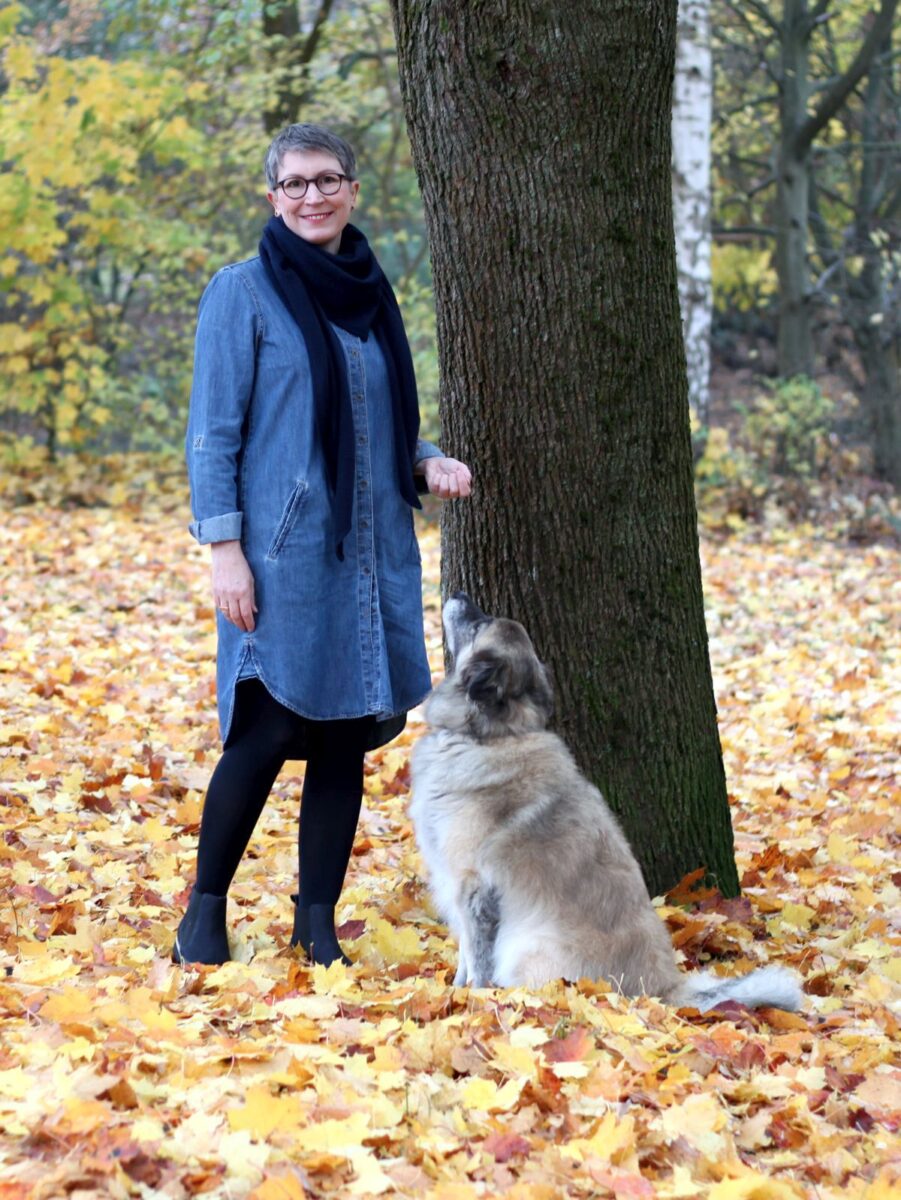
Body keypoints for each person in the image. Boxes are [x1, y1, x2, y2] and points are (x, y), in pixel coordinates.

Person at [174, 123, 472, 968]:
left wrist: (427, 459)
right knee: (263, 732)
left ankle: (315, 925)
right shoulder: (242, 292)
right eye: (294, 183)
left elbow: (383, 423)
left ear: (351, 189)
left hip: (369, 555)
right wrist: (223, 548)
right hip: (280, 557)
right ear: (271, 196)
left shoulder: (372, 295)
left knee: (344, 736)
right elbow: (213, 435)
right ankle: (202, 915)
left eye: (327, 180)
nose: (312, 197)